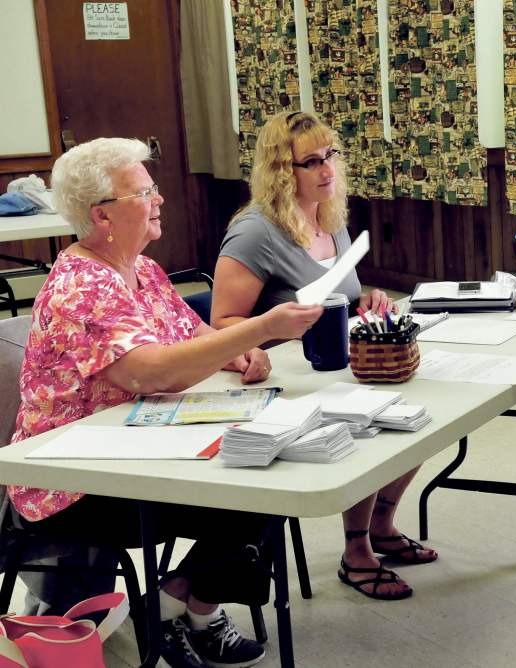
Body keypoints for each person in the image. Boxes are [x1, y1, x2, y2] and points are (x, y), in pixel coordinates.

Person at [9, 137, 324, 668]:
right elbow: (145, 373)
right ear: (101, 215)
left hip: (142, 444)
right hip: (76, 477)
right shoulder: (80, 285)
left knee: (269, 468)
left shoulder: (145, 271)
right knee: (252, 486)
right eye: (144, 191)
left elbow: (194, 338)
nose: (159, 199)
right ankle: (177, 607)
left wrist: (241, 354)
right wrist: (261, 328)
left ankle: (183, 605)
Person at [212, 111, 436, 601]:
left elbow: (338, 296)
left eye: (331, 154)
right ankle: (356, 552)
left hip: (336, 366)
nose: (326, 169)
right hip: (284, 382)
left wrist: (368, 301)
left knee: (423, 417)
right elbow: (222, 324)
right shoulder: (255, 232)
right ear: (280, 170)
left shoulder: (328, 214)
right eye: (310, 162)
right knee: (376, 428)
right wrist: (259, 344)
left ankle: (381, 526)